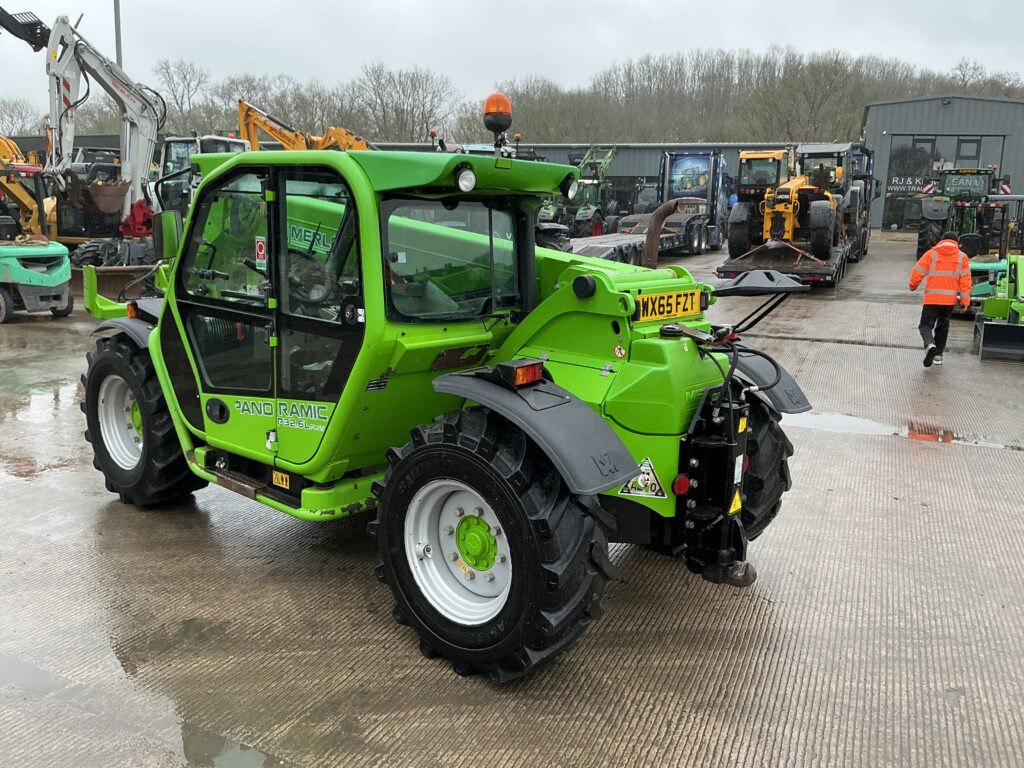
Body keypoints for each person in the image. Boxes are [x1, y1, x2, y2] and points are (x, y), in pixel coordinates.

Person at [909, 231, 972, 367]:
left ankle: (930, 345)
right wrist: (964, 302)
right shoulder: (962, 257)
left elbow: (917, 272)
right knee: (943, 327)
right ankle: (938, 355)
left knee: (925, 326)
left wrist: (913, 286)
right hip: (949, 301)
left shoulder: (932, 254)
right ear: (956, 243)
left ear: (942, 241)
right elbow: (966, 281)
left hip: (932, 299)